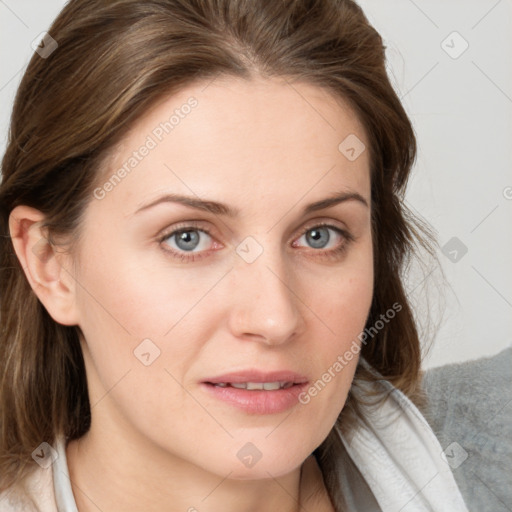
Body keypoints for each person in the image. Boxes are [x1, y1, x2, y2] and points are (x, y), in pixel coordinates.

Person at [0, 0, 469, 511]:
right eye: (188, 238)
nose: (274, 318)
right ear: (51, 264)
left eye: (320, 236)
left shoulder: (488, 458)